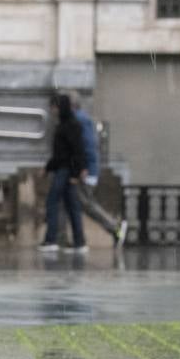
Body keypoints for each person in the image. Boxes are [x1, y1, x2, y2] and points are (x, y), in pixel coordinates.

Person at [68, 91, 128, 248]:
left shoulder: (79, 119)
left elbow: (87, 145)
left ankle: (114, 226)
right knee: (82, 202)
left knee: (86, 203)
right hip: (86, 167)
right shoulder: (80, 119)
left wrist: (84, 167)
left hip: (86, 168)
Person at [38, 93, 87, 255]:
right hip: (65, 169)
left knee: (53, 202)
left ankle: (51, 239)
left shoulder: (70, 125)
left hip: (66, 170)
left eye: (54, 106)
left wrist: (75, 173)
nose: (52, 110)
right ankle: (79, 241)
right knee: (72, 206)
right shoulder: (66, 124)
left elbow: (75, 151)